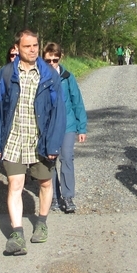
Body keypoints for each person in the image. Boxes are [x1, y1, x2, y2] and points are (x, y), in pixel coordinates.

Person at [0, 29, 66, 255]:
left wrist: (53, 144)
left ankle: (41, 222)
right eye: (27, 46)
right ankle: (17, 234)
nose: (33, 50)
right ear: (17, 48)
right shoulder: (5, 74)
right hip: (14, 139)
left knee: (45, 183)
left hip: (40, 140)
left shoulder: (49, 75)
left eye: (35, 45)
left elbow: (58, 112)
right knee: (15, 185)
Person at [43, 43, 87, 213]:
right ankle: (53, 196)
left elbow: (77, 102)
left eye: (55, 60)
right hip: (48, 127)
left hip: (68, 124)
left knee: (67, 157)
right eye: (48, 60)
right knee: (50, 161)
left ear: (60, 58)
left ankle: (68, 196)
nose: (52, 63)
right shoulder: (39, 77)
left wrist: (81, 128)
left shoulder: (68, 77)